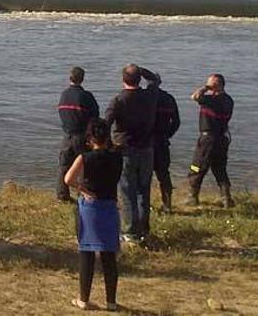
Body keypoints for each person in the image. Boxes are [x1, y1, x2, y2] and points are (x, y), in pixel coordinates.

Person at [64, 118, 121, 312]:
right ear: (107, 136)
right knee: (109, 256)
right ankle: (111, 302)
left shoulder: (84, 158)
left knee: (86, 253)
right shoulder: (117, 156)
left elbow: (68, 179)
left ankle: (83, 299)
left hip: (90, 208)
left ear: (90, 137)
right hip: (110, 206)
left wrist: (83, 189)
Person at [104, 64, 160, 243]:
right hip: (146, 148)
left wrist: (107, 146)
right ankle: (144, 229)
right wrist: (142, 70)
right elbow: (155, 80)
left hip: (125, 149)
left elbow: (105, 124)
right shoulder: (150, 96)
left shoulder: (119, 100)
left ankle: (130, 232)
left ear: (123, 80)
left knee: (127, 191)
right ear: (139, 79)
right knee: (144, 190)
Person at [186, 74, 235, 208]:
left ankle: (192, 197)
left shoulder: (212, 100)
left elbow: (194, 96)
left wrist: (206, 87)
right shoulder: (228, 100)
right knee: (220, 169)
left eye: (209, 84)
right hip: (222, 139)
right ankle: (226, 199)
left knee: (196, 167)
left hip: (208, 139)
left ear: (216, 85)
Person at [56, 66, 100, 202]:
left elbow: (61, 112)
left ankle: (62, 196)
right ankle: (85, 193)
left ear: (70, 78)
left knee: (64, 166)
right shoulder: (86, 96)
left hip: (67, 135)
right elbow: (95, 116)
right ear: (82, 79)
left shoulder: (64, 95)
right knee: (85, 166)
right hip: (82, 136)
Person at [153, 82, 180, 213]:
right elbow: (176, 122)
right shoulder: (169, 98)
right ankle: (167, 204)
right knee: (164, 175)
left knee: (143, 177)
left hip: (146, 142)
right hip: (162, 142)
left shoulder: (146, 98)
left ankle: (144, 206)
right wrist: (167, 134)